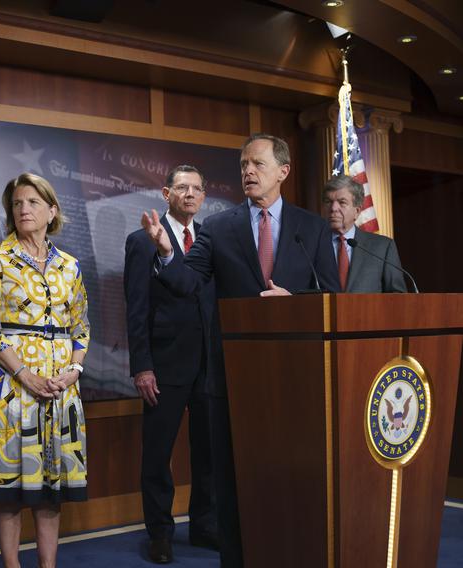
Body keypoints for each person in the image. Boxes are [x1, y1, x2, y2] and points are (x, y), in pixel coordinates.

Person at [140, 134, 340, 568]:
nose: (248, 171)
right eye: (244, 164)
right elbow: (189, 283)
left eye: (257, 164)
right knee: (232, 480)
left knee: (290, 477)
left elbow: (332, 298)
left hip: (296, 378)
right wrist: (167, 252)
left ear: (283, 171)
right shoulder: (218, 227)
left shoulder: (312, 228)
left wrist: (296, 305)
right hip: (234, 379)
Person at [0, 172, 90, 568]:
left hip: (60, 388)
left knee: (50, 490)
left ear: (52, 211)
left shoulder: (70, 266)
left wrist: (73, 370)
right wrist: (26, 375)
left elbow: (81, 327)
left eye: (33, 202)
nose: (23, 209)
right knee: (11, 491)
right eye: (17, 203)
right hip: (11, 387)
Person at [124, 165, 218, 564]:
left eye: (197, 188)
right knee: (158, 454)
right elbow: (136, 309)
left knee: (209, 452)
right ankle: (160, 533)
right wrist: (142, 366)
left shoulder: (211, 241)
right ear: (166, 194)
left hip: (210, 365)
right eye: (182, 188)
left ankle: (204, 526)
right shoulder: (142, 241)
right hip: (162, 366)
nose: (190, 194)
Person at [322, 174, 407, 293]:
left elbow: (398, 295)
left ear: (357, 211)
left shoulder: (382, 247)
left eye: (342, 202)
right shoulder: (311, 245)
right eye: (328, 202)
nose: (333, 208)